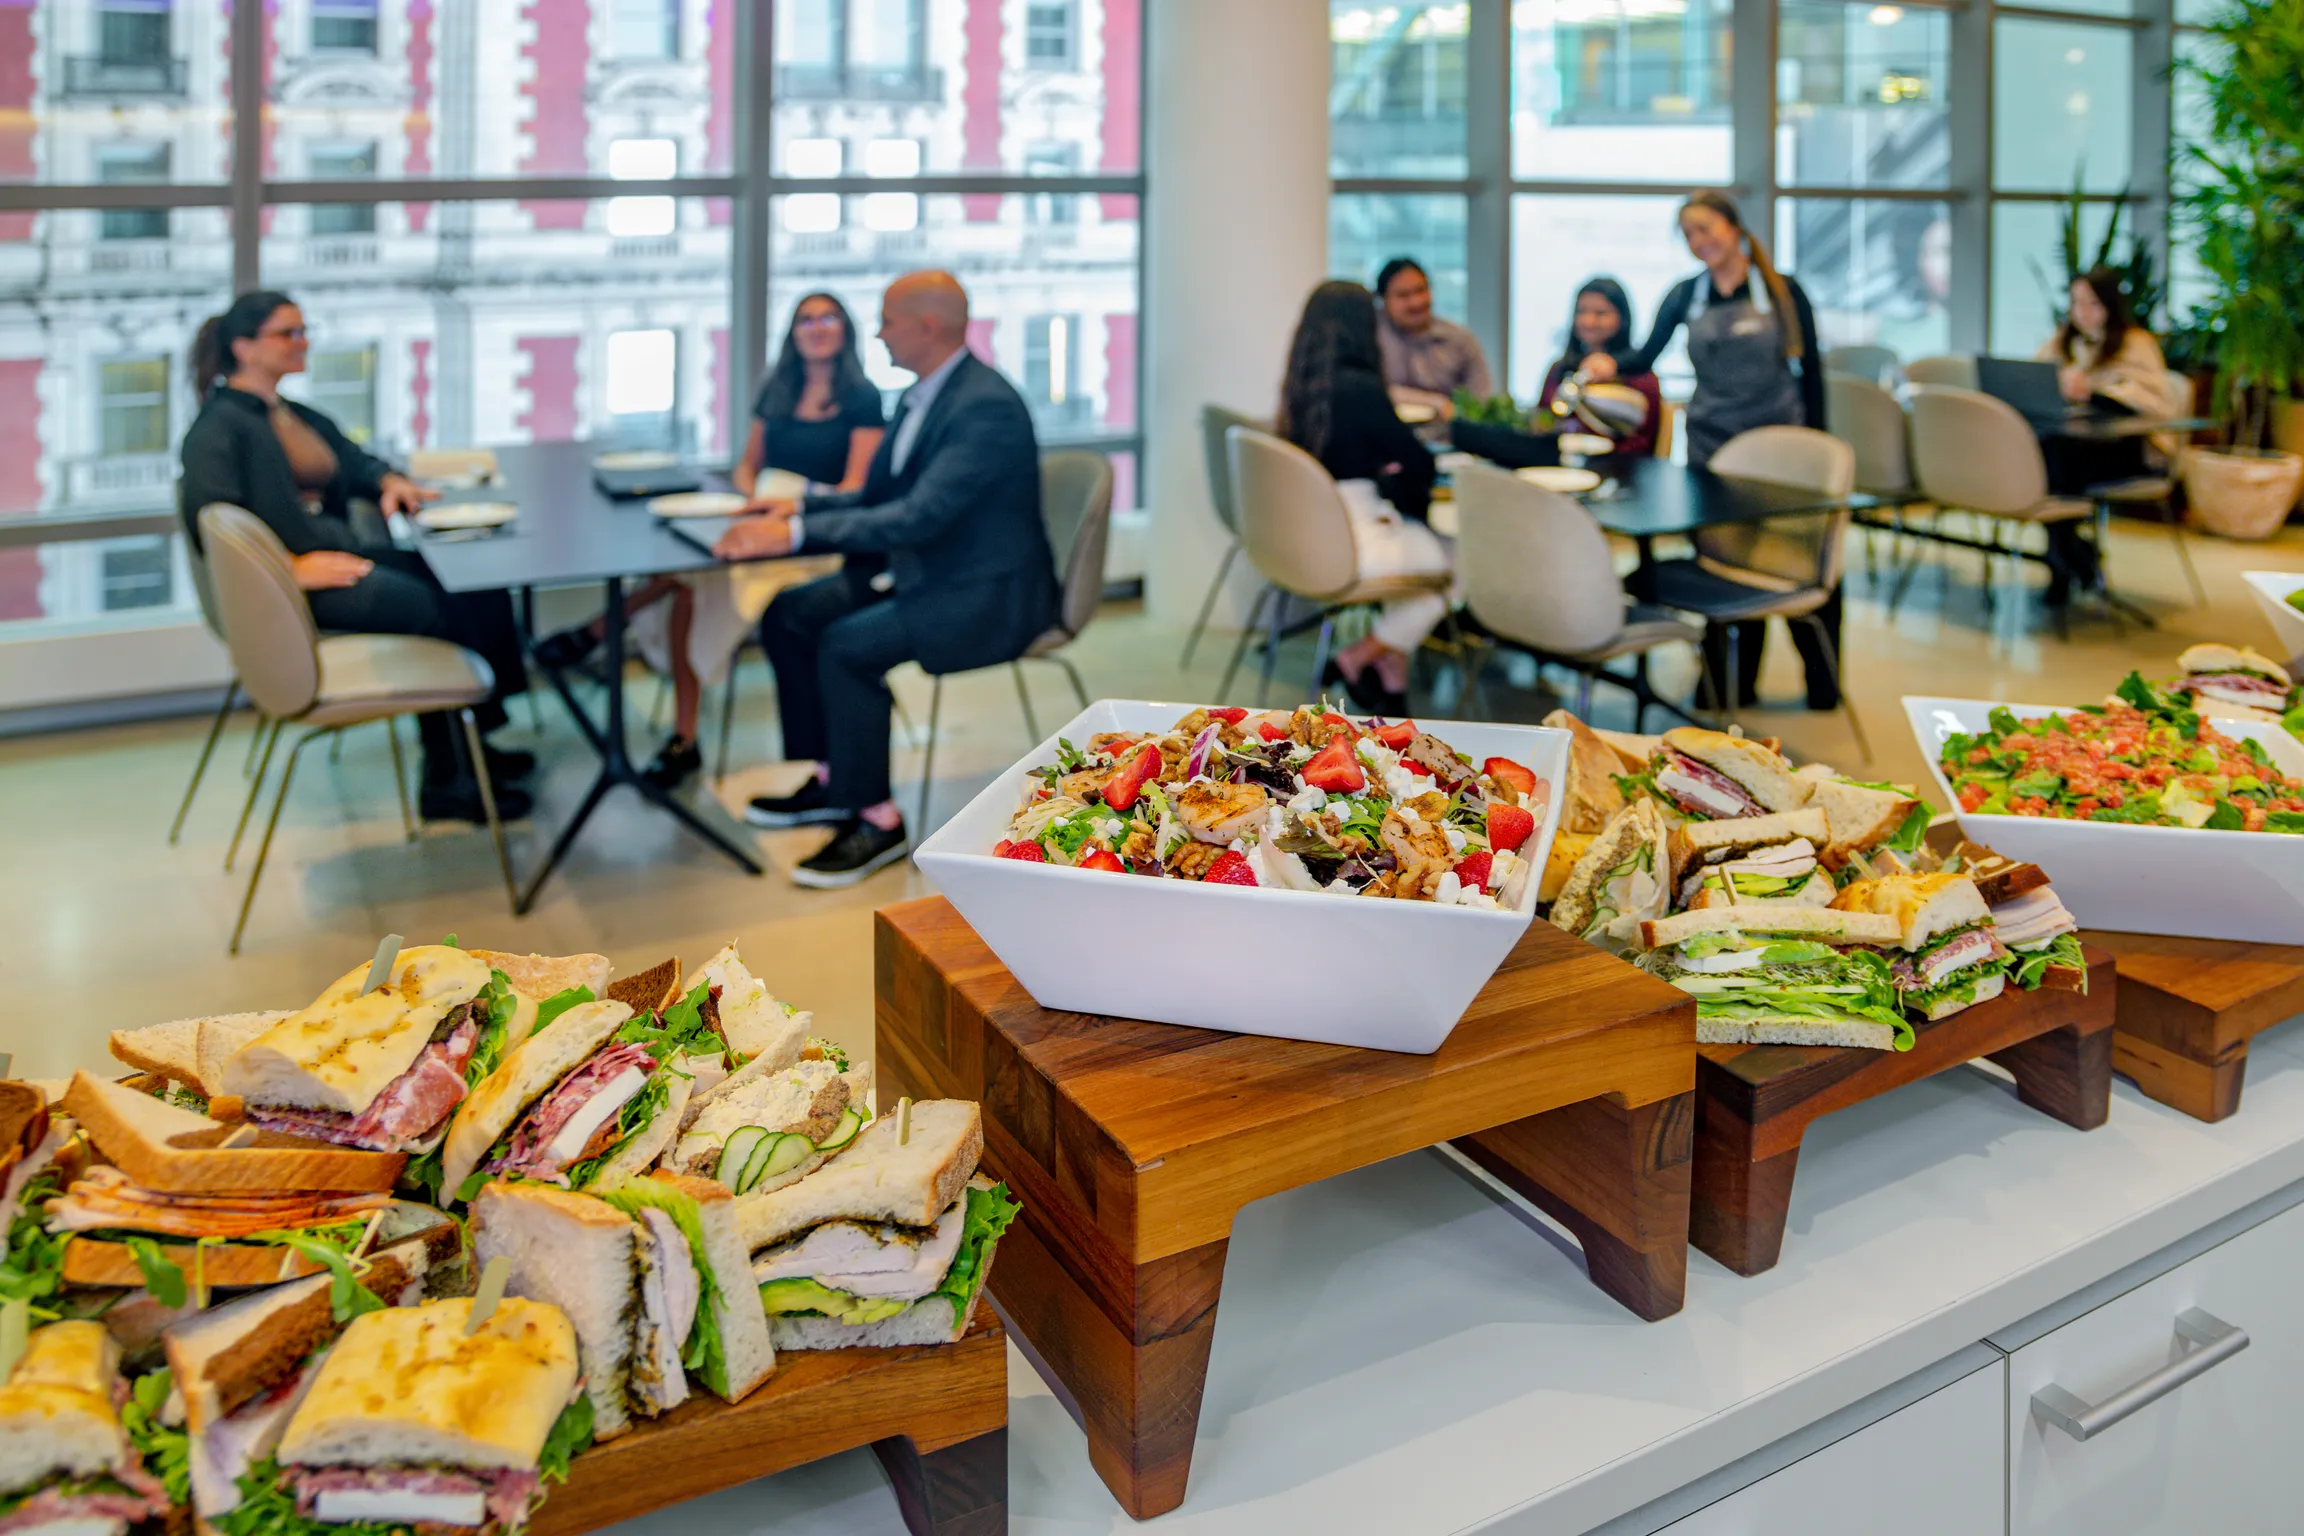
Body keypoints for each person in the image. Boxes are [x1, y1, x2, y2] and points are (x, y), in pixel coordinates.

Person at [714, 271, 1058, 889]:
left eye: (887, 320)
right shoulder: (925, 394)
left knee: (847, 647)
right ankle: (831, 778)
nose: (876, 332)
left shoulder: (984, 407)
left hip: (983, 596)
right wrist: (798, 510)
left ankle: (877, 818)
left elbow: (918, 516)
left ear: (926, 327)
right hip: (931, 571)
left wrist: (793, 538)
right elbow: (878, 495)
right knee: (789, 614)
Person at [176, 291, 532, 823]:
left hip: (335, 560)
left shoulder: (290, 413)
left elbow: (352, 458)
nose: (302, 342)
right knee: (430, 607)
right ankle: (449, 777)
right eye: (287, 333)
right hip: (296, 591)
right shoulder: (219, 428)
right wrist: (289, 569)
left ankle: (475, 742)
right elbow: (214, 524)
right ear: (244, 347)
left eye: (303, 331)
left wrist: (388, 479)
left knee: (473, 582)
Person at [534, 294, 886, 789]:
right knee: (690, 575)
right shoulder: (778, 391)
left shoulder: (863, 399)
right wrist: (751, 494)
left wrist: (792, 500)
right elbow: (748, 464)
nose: (816, 327)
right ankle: (680, 728)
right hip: (759, 513)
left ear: (845, 329)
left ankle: (609, 635)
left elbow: (858, 489)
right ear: (793, 332)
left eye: (827, 317)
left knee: (692, 582)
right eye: (806, 319)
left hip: (813, 533)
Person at [1583, 191, 1838, 711]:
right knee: (1721, 562)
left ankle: (1823, 685)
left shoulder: (1781, 290)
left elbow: (1812, 372)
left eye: (1707, 229)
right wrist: (1610, 363)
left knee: (1784, 560)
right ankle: (1729, 686)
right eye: (1690, 235)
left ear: (1733, 227)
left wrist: (1821, 446)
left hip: (1779, 453)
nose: (1701, 242)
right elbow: (1645, 353)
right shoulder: (1686, 294)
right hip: (1712, 449)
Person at [1279, 279, 1452, 719]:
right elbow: (1418, 462)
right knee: (1454, 568)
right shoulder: (1359, 386)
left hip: (1314, 528)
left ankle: (1392, 679)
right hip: (1357, 532)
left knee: (1419, 559)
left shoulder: (1303, 381)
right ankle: (1354, 658)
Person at [2032, 267, 2185, 606]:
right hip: (2075, 449)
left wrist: (2094, 392)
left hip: (2128, 451)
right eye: (2076, 303)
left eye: (2092, 303)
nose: (2082, 312)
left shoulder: (2135, 343)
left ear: (2110, 306)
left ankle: (2066, 559)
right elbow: (2036, 377)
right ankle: (2072, 554)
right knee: (2050, 456)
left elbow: (2154, 402)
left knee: (2058, 463)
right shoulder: (2064, 341)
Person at [1535, 278, 1663, 458]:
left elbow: (1644, 442)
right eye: (1581, 312)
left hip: (1619, 472)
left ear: (1622, 318)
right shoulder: (1560, 370)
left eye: (1601, 313)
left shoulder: (1640, 377)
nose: (1589, 322)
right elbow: (1542, 421)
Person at [1374, 257, 1494, 417]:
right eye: (1403, 295)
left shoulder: (1459, 339)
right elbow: (1373, 392)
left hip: (1447, 436)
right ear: (1383, 299)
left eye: (1421, 290)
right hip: (1388, 434)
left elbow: (1481, 399)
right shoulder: (1372, 338)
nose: (1416, 302)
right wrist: (1437, 402)